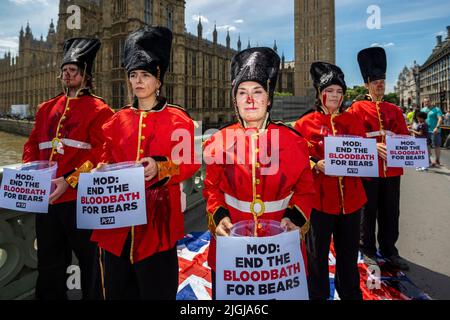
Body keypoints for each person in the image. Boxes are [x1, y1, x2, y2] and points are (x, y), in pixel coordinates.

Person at [90, 26, 200, 300]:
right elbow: (105, 156)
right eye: (133, 75)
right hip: (116, 228)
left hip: (157, 227)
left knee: (156, 291)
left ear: (158, 80)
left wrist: (160, 167)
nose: (138, 81)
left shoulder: (179, 120)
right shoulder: (116, 120)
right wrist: (100, 169)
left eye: (145, 75)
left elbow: (189, 164)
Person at [203, 47, 315, 299]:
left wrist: (294, 219)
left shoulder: (294, 141)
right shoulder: (218, 141)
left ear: (269, 98)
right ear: (235, 100)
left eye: (257, 92)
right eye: (242, 93)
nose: (250, 100)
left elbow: (306, 190)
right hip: (233, 253)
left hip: (280, 254)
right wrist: (219, 217)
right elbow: (212, 189)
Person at [22, 38, 114, 299]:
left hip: (80, 200)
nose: (67, 73)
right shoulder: (46, 108)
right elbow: (32, 144)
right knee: (49, 265)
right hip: (46, 202)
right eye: (65, 68)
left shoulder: (100, 110)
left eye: (73, 69)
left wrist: (70, 179)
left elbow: (102, 154)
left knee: (90, 266)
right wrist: (31, 169)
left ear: (86, 75)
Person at [295, 62, 367, 300]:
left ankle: (350, 294)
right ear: (319, 93)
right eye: (329, 91)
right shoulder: (305, 124)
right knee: (316, 254)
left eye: (339, 91)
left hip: (352, 200)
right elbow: (296, 159)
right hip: (320, 202)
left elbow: (362, 154)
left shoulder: (353, 121)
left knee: (348, 253)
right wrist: (315, 164)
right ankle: (317, 295)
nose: (335, 96)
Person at [347, 47, 410, 271]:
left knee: (391, 211)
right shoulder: (356, 109)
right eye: (375, 81)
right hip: (368, 171)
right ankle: (367, 249)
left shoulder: (394, 109)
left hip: (392, 171)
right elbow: (351, 141)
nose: (380, 84)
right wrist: (374, 149)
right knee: (368, 212)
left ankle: (389, 250)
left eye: (382, 80)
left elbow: (405, 137)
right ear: (367, 84)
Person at [421, 97, 443, 166]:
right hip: (426, 131)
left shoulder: (437, 109)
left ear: (431, 101)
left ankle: (437, 160)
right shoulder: (423, 109)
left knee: (437, 146)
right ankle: (428, 159)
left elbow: (440, 119)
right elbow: (420, 119)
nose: (426, 103)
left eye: (427, 101)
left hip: (435, 131)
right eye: (425, 102)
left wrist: (437, 127)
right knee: (427, 145)